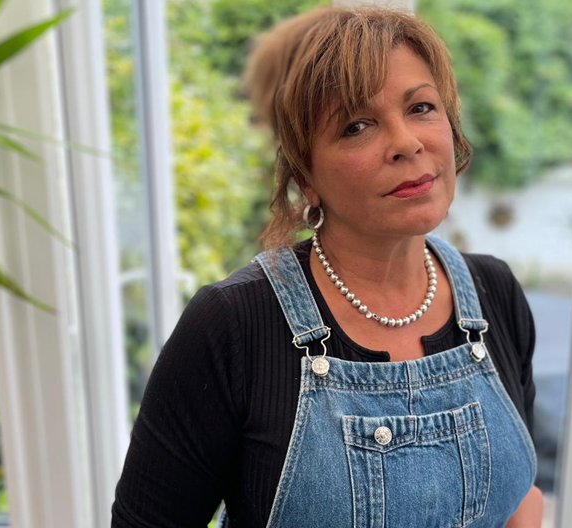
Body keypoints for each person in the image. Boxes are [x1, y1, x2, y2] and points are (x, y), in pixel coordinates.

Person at [112, 5, 543, 527]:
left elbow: (521, 498)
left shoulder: (494, 291)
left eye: (422, 108)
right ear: (306, 178)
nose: (407, 143)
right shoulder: (233, 326)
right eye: (357, 126)